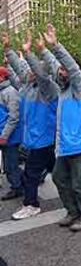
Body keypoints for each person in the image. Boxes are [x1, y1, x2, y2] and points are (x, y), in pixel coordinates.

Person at [44, 24, 81, 232]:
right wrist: (42, 51)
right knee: (59, 178)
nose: (62, 72)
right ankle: (73, 211)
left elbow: (71, 67)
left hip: (80, 145)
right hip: (65, 146)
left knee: (80, 183)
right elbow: (55, 66)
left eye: (65, 70)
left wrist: (56, 45)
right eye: (61, 71)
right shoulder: (62, 92)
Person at [5, 31, 59, 219]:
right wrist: (8, 49)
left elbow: (38, 73)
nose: (28, 71)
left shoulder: (49, 88)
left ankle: (31, 204)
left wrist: (30, 54)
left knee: (30, 174)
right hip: (36, 140)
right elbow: (20, 70)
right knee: (58, 172)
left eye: (33, 69)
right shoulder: (28, 87)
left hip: (43, 140)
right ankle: (74, 192)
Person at [0, 62, 23, 201]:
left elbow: (13, 117)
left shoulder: (10, 92)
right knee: (8, 164)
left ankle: (17, 187)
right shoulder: (3, 91)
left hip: (10, 137)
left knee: (11, 165)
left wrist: (4, 136)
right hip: (5, 135)